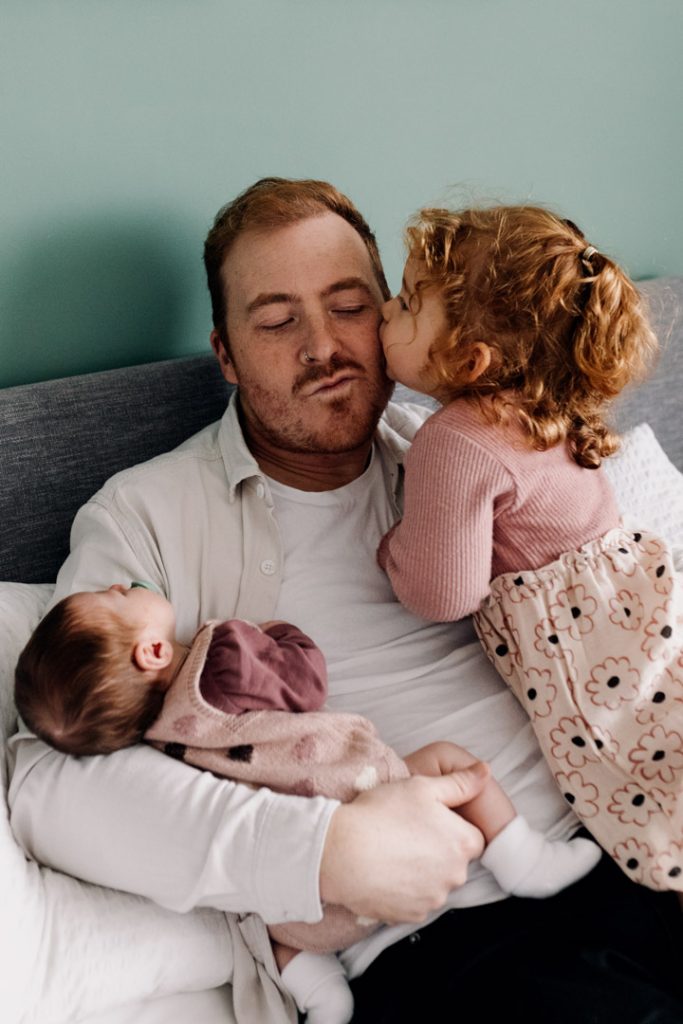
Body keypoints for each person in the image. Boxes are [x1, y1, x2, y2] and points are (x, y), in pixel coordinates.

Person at [7, 178, 683, 1024]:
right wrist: (324, 851)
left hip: (627, 848)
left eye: (350, 305)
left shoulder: (462, 451)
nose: (323, 346)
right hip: (456, 937)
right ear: (225, 352)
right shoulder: (146, 515)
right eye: (278, 320)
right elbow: (51, 783)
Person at [15, 581, 597, 1024]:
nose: (119, 584)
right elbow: (306, 680)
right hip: (368, 799)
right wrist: (278, 634)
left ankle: (319, 988)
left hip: (311, 917)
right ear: (152, 653)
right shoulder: (222, 660)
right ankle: (523, 858)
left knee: (253, 918)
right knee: (449, 762)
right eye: (113, 596)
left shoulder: (159, 748)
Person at [378, 203, 683, 893]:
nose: (380, 315)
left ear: (468, 357)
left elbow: (441, 594)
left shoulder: (453, 440)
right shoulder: (550, 403)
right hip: (644, 620)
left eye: (401, 303)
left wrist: (394, 545)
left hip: (598, 664)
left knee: (654, 796)